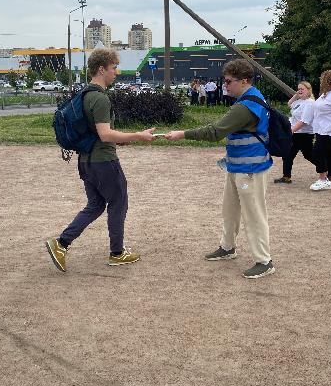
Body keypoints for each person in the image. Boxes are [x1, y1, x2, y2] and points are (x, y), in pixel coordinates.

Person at [46, 48, 156, 272]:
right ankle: (117, 253)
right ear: (101, 69)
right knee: (118, 202)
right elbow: (105, 134)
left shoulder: (84, 95)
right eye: (114, 68)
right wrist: (138, 136)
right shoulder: (100, 98)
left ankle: (61, 243)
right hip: (104, 162)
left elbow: (98, 133)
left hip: (86, 161)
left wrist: (125, 139)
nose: (117, 72)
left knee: (96, 205)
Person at [165, 59, 275, 279]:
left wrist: (183, 134)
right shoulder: (249, 99)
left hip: (250, 169)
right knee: (230, 211)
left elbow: (215, 131)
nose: (225, 86)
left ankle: (264, 261)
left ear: (243, 81)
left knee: (254, 215)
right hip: (238, 167)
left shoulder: (246, 106)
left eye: (228, 81)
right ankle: (227, 247)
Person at [274, 81, 316, 184]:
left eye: (302, 89)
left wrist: (291, 131)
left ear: (309, 90)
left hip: (304, 134)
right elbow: (289, 104)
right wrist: (296, 95)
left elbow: (303, 121)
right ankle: (286, 177)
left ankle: (326, 168)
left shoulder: (310, 103)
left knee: (308, 155)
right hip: (295, 133)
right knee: (288, 154)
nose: (300, 90)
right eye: (298, 89)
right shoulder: (299, 101)